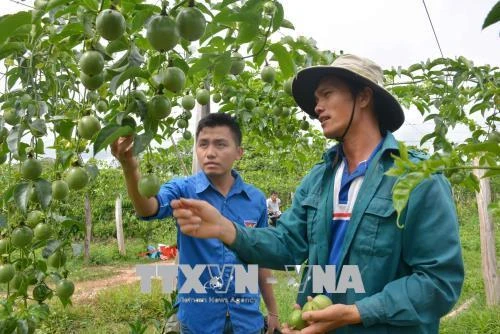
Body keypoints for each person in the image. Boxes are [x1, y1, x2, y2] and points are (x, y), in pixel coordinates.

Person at [170, 54, 464, 334]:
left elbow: (439, 283)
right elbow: (287, 243)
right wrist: (226, 229)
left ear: (363, 96)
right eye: (316, 99)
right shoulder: (319, 179)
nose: (317, 107)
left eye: (327, 94)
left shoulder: (416, 177)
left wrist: (354, 312)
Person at [111, 113, 280, 334]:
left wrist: (273, 311)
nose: (210, 153)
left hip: (246, 319)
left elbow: (260, 258)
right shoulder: (183, 190)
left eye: (220, 144)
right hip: (199, 319)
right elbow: (148, 208)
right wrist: (130, 167)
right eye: (203, 144)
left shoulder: (255, 199)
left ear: (239, 152)